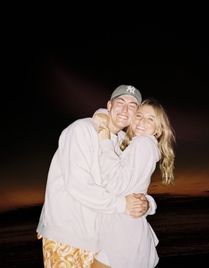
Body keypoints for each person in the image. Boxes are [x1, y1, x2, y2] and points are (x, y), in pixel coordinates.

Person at [36, 85, 157, 267]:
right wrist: (122, 204)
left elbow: (124, 184)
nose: (125, 109)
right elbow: (78, 185)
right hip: (68, 236)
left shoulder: (119, 144)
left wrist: (147, 203)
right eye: (120, 102)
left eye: (132, 106)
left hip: (98, 240)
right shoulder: (82, 129)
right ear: (109, 106)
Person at [91, 98, 175, 268]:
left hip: (122, 233)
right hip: (125, 228)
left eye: (150, 119)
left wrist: (104, 139)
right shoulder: (135, 144)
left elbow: (115, 185)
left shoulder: (143, 144)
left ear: (158, 129)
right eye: (139, 115)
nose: (142, 121)